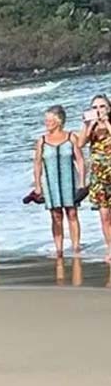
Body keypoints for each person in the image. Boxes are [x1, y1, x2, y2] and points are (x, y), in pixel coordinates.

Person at [33, 105, 87, 257]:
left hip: (69, 181)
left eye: (49, 120)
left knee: (72, 213)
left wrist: (82, 182)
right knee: (56, 215)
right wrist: (38, 186)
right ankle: (59, 249)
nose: (46, 123)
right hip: (50, 184)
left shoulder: (71, 137)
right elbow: (37, 164)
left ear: (59, 121)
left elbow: (81, 160)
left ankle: (76, 247)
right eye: (46, 120)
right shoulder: (42, 141)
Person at [78, 94, 111, 262]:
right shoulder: (91, 126)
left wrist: (106, 123)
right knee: (104, 215)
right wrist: (88, 125)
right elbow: (80, 143)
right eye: (95, 107)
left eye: (102, 106)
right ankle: (110, 249)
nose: (98, 110)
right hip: (99, 177)